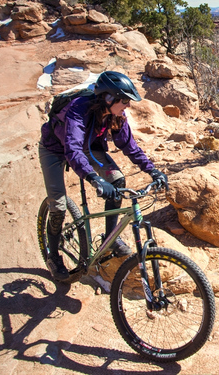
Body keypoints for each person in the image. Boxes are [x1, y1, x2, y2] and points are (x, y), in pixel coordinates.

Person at [39, 71, 169, 281]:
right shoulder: (79, 109)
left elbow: (129, 145)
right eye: (124, 101)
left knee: (117, 180)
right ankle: (53, 256)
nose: (127, 106)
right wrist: (94, 178)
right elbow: (72, 148)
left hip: (88, 148)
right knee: (59, 206)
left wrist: (151, 169)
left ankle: (111, 240)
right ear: (109, 98)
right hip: (54, 150)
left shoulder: (116, 114)